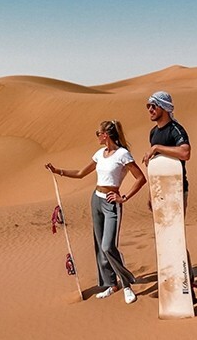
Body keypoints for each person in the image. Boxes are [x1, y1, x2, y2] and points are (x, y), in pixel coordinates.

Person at [45, 120, 147, 304]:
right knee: (100, 246)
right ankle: (111, 284)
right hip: (96, 200)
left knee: (109, 246)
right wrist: (57, 170)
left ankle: (126, 285)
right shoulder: (100, 154)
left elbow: (140, 178)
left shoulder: (123, 154)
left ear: (105, 135)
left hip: (111, 202)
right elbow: (81, 173)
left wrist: (123, 197)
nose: (97, 136)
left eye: (98, 133)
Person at [141, 91, 196, 299]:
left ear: (164, 107)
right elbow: (156, 165)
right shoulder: (153, 132)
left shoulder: (176, 130)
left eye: (153, 106)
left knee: (176, 237)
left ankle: (187, 283)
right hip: (160, 191)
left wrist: (157, 147)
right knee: (164, 237)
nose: (150, 110)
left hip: (177, 190)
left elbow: (185, 153)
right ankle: (171, 280)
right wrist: (151, 193)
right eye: (148, 107)